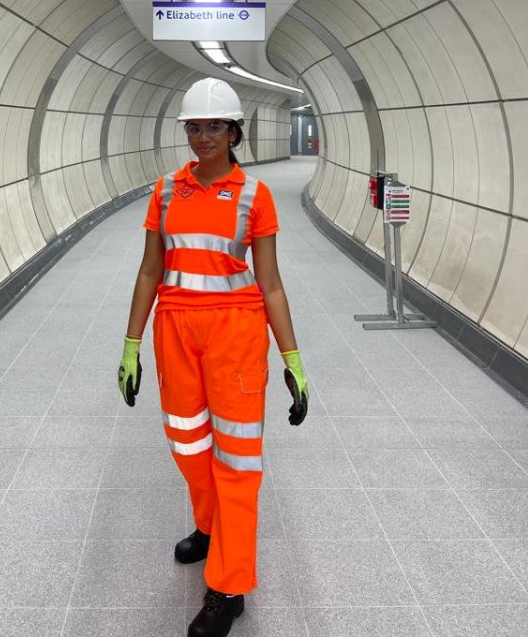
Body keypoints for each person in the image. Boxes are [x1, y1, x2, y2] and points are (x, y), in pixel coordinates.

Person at [117, 77, 309, 637]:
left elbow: (270, 282)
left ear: (234, 132)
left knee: (239, 461)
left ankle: (228, 586)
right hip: (174, 330)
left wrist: (292, 357)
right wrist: (130, 344)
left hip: (236, 335)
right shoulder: (166, 191)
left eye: (214, 127)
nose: (203, 137)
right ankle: (209, 525)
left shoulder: (255, 195)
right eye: (194, 127)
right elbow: (150, 270)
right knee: (188, 443)